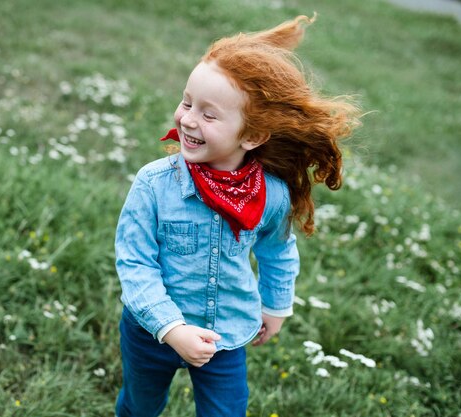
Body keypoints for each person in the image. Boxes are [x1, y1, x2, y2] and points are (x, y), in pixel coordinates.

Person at [114, 14, 361, 417]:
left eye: (209, 115)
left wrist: (275, 305)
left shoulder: (271, 194)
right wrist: (172, 329)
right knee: (141, 406)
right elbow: (135, 262)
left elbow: (277, 251)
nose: (188, 119)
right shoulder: (154, 184)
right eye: (187, 101)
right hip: (151, 333)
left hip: (225, 334)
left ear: (252, 136)